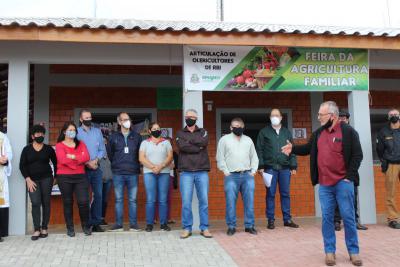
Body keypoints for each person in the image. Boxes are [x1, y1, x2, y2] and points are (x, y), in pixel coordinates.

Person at [282, 101, 363, 266]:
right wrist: (293, 149)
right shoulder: (318, 133)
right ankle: (330, 252)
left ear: (332, 116)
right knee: (327, 218)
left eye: (321, 115)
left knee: (348, 217)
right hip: (325, 185)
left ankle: (353, 252)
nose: (318, 117)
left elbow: (357, 155)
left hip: (343, 182)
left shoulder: (348, 132)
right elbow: (308, 148)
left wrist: (349, 176)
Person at [256, 108, 298, 229]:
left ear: (281, 118)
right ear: (270, 118)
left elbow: (292, 149)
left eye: (277, 115)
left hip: (285, 168)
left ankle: (287, 219)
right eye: (272, 115)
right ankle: (270, 220)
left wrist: (293, 165)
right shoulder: (264, 132)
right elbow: (259, 150)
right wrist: (261, 165)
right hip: (269, 169)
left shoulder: (287, 132)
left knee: (285, 193)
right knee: (270, 194)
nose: (274, 117)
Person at [217, 117, 259, 236]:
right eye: (235, 126)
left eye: (240, 126)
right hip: (231, 176)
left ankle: (249, 226)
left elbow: (254, 156)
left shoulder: (248, 140)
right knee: (230, 202)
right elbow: (220, 157)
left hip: (247, 175)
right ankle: (231, 226)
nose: (238, 128)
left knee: (249, 202)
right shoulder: (224, 140)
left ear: (243, 127)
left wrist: (253, 170)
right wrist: (225, 171)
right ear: (231, 127)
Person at [176, 109, 212, 239]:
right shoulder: (180, 132)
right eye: (188, 116)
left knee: (204, 201)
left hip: (202, 171)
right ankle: (187, 228)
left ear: (196, 119)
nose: (190, 118)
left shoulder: (203, 131)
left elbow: (204, 142)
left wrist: (189, 142)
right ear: (185, 117)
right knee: (186, 202)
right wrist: (197, 146)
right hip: (186, 172)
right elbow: (182, 147)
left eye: (192, 117)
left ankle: (205, 228)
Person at [19, 125, 57, 240]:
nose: (40, 135)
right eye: (37, 134)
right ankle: (36, 229)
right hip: (32, 180)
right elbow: (22, 166)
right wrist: (28, 179)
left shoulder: (48, 149)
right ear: (32, 136)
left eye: (42, 133)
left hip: (47, 179)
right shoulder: (27, 149)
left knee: (46, 203)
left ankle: (44, 228)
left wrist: (56, 178)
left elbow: (56, 164)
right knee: (35, 203)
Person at [55, 122, 91, 237]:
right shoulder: (60, 145)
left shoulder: (81, 144)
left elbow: (86, 157)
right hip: (64, 177)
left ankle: (85, 226)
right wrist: (77, 160)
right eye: (70, 130)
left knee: (83, 202)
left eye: (74, 130)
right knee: (68, 202)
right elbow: (62, 160)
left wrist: (72, 156)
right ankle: (70, 228)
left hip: (80, 176)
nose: (72, 132)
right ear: (64, 132)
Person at [108, 112, 142, 232]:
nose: (127, 121)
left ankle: (133, 224)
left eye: (128, 119)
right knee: (118, 199)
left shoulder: (137, 137)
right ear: (119, 122)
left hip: (133, 172)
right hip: (118, 173)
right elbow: (110, 154)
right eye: (124, 119)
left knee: (133, 200)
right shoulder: (113, 137)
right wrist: (117, 163)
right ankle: (118, 224)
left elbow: (140, 153)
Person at [334, 111, 368, 231]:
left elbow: (358, 155)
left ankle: (354, 221)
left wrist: (350, 174)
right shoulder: (332, 133)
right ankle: (336, 221)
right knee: (336, 199)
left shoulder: (353, 133)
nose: (342, 120)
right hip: (336, 173)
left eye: (344, 118)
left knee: (352, 198)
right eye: (340, 118)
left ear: (348, 120)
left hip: (350, 173)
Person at [139, 122, 173, 232]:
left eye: (158, 128)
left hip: (164, 173)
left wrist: (161, 166)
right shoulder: (145, 143)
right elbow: (141, 158)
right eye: (154, 128)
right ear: (149, 131)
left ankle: (163, 224)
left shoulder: (166, 142)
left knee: (163, 199)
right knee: (150, 199)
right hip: (149, 173)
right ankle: (149, 224)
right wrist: (153, 167)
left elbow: (170, 156)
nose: (157, 130)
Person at [77, 109, 106, 232]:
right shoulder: (76, 132)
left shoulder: (97, 132)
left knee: (98, 195)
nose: (88, 119)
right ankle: (87, 223)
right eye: (86, 118)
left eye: (90, 117)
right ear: (81, 119)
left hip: (96, 168)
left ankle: (96, 222)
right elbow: (75, 151)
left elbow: (102, 149)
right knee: (85, 197)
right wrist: (87, 163)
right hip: (82, 169)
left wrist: (96, 161)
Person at [376, 108, 400, 229]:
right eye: (391, 115)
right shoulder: (383, 132)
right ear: (388, 117)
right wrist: (385, 160)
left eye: (396, 114)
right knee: (391, 193)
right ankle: (392, 219)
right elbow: (379, 150)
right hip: (391, 165)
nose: (394, 116)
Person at [0, 130, 12, 242]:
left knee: (1, 201)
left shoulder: (3, 137)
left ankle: (2, 232)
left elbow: (9, 153)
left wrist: (5, 160)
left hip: (1, 175)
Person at [99, 136, 112, 226]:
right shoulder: (97, 154)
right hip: (98, 181)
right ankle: (96, 219)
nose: (104, 144)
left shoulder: (110, 154)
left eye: (105, 142)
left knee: (105, 200)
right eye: (102, 142)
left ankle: (102, 218)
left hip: (108, 180)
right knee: (97, 199)